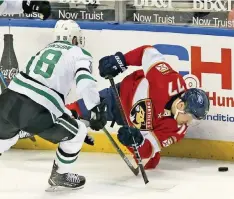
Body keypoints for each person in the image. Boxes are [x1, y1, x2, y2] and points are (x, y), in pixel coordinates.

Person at [0, 19, 107, 191]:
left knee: (5, 138)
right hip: (38, 110)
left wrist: (67, 115)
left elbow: (37, 86)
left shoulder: (44, 50)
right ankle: (59, 175)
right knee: (78, 132)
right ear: (74, 38)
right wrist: (95, 108)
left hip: (8, 100)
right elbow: (85, 82)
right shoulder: (78, 52)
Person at [66, 45, 210, 170]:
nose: (189, 123)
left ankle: (130, 136)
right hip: (119, 96)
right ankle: (55, 120)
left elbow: (148, 149)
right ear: (180, 105)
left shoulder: (177, 130)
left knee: (149, 162)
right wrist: (120, 61)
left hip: (136, 128)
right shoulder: (167, 80)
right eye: (190, 117)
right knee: (75, 111)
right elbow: (146, 52)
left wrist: (137, 142)